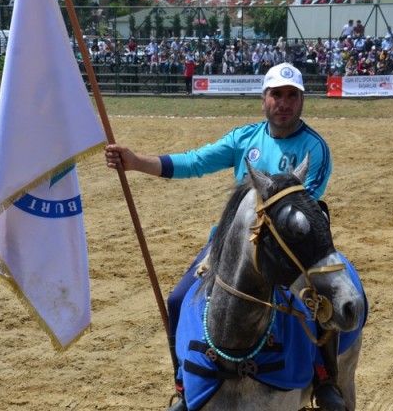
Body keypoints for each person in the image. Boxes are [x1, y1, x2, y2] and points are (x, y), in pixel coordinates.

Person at [105, 63, 345, 411]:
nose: (284, 103)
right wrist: (135, 162)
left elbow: (302, 209)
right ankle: (184, 387)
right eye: (276, 95)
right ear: (263, 99)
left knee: (319, 304)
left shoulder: (314, 148)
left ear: (302, 101)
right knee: (178, 300)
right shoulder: (244, 139)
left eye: (292, 96)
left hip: (287, 249)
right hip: (229, 246)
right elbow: (194, 162)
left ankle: (324, 379)